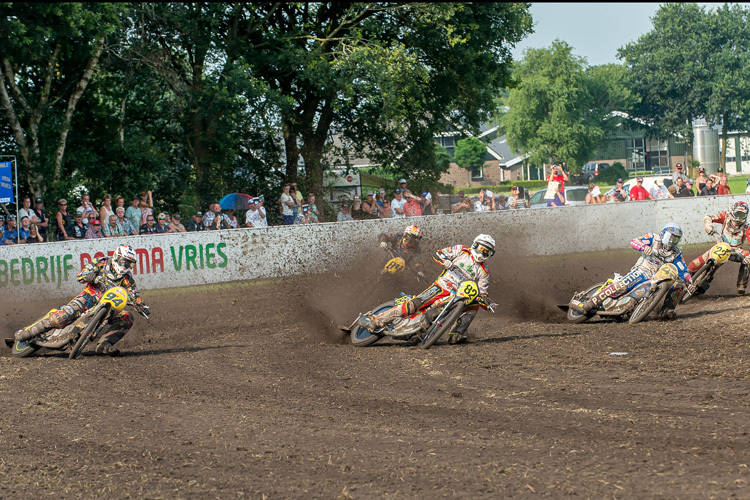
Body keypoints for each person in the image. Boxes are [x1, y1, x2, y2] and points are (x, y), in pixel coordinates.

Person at [359, 234, 496, 345]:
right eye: (480, 248)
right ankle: (378, 320)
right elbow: (438, 254)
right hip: (443, 286)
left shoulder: (484, 271)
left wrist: (487, 302)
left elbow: (482, 292)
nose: (481, 253)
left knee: (474, 305)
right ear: (474, 245)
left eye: (486, 252)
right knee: (416, 304)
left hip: (460, 296)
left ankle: (457, 333)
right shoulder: (462, 250)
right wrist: (445, 261)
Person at [13, 244, 148, 356]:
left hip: (110, 307)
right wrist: (92, 277)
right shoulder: (102, 262)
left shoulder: (128, 279)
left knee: (127, 317)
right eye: (125, 261)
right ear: (118, 258)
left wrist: (141, 305)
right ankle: (28, 332)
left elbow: (135, 294)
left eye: (130, 264)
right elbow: (81, 275)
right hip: (89, 297)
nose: (127, 266)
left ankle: (105, 344)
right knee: (67, 313)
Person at [570, 223, 691, 320]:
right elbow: (634, 241)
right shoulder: (653, 238)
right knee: (623, 284)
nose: (672, 241)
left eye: (676, 239)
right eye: (670, 237)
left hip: (655, 279)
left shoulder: (676, 253)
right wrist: (644, 247)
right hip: (642, 270)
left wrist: (689, 282)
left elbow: (683, 270)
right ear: (664, 234)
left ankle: (666, 310)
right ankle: (590, 303)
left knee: (678, 285)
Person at [690, 201, 750, 295]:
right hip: (720, 245)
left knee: (748, 258)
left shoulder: (746, 227)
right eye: (737, 214)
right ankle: (684, 278)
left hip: (734, 251)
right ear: (733, 212)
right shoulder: (726, 216)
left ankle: (741, 286)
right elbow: (708, 217)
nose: (739, 218)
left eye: (742, 215)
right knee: (694, 265)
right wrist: (708, 226)